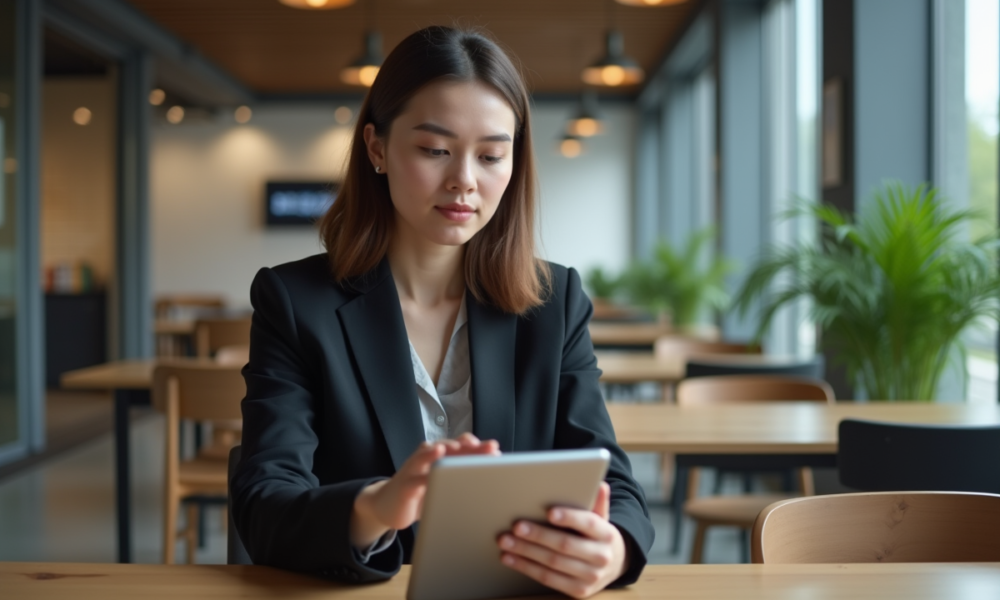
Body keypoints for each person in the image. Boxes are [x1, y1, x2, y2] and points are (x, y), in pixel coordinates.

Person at [231, 25, 654, 599]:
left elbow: (616, 487)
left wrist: (614, 549)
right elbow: (264, 505)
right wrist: (380, 504)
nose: (464, 181)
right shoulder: (295, 302)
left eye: (491, 156)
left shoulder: (554, 303)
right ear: (376, 148)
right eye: (435, 150)